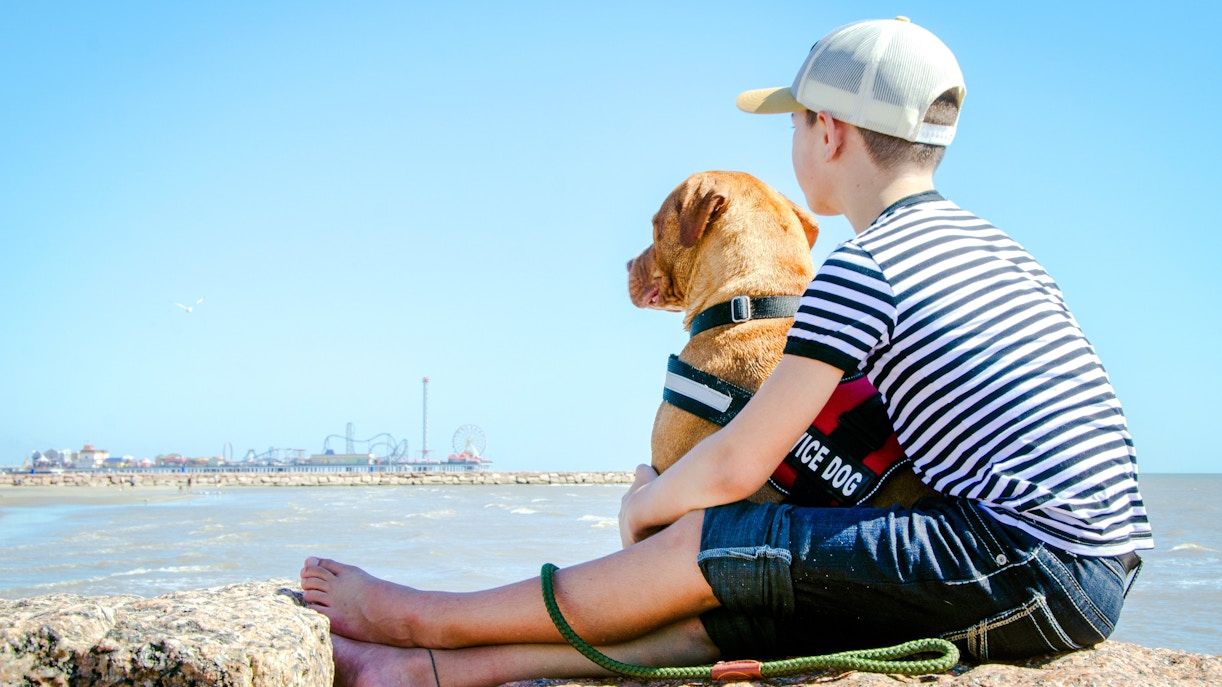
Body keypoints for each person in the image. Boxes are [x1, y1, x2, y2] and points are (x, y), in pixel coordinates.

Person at [300, 17, 1151, 687]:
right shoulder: (995, 247)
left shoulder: (869, 263)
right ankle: (424, 670)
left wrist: (643, 510)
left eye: (793, 121)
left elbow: (739, 463)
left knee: (705, 540)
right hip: (1092, 572)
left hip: (1021, 560)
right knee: (738, 606)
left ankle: (424, 618)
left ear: (827, 132)